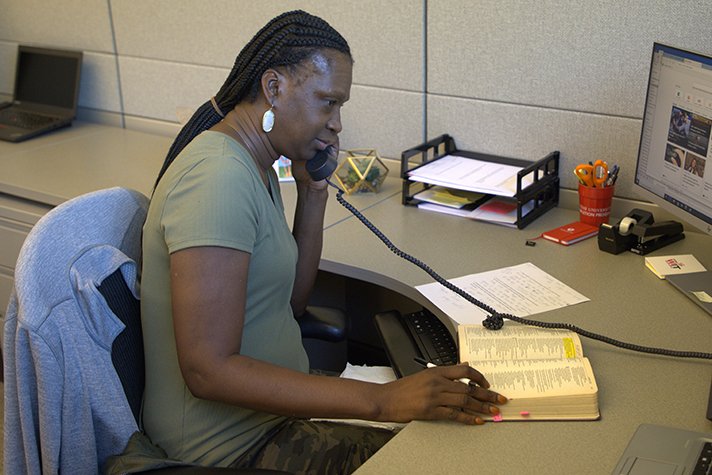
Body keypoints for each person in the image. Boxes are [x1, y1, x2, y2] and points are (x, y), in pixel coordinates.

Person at [141, 10, 507, 474]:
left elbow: (289, 303)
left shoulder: (253, 162)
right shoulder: (216, 179)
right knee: (444, 459)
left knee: (445, 433)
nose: (337, 124)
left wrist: (313, 193)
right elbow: (206, 370)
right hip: (229, 448)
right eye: (328, 103)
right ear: (274, 88)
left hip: (271, 417)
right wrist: (382, 401)